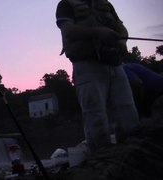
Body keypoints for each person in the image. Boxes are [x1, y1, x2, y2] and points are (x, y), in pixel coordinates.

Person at [55, 0, 141, 153]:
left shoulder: (106, 4)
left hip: (115, 64)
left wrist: (121, 38)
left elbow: (121, 27)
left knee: (127, 110)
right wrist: (98, 32)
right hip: (87, 65)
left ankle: (132, 152)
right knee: (95, 115)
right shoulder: (65, 4)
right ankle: (101, 156)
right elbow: (68, 31)